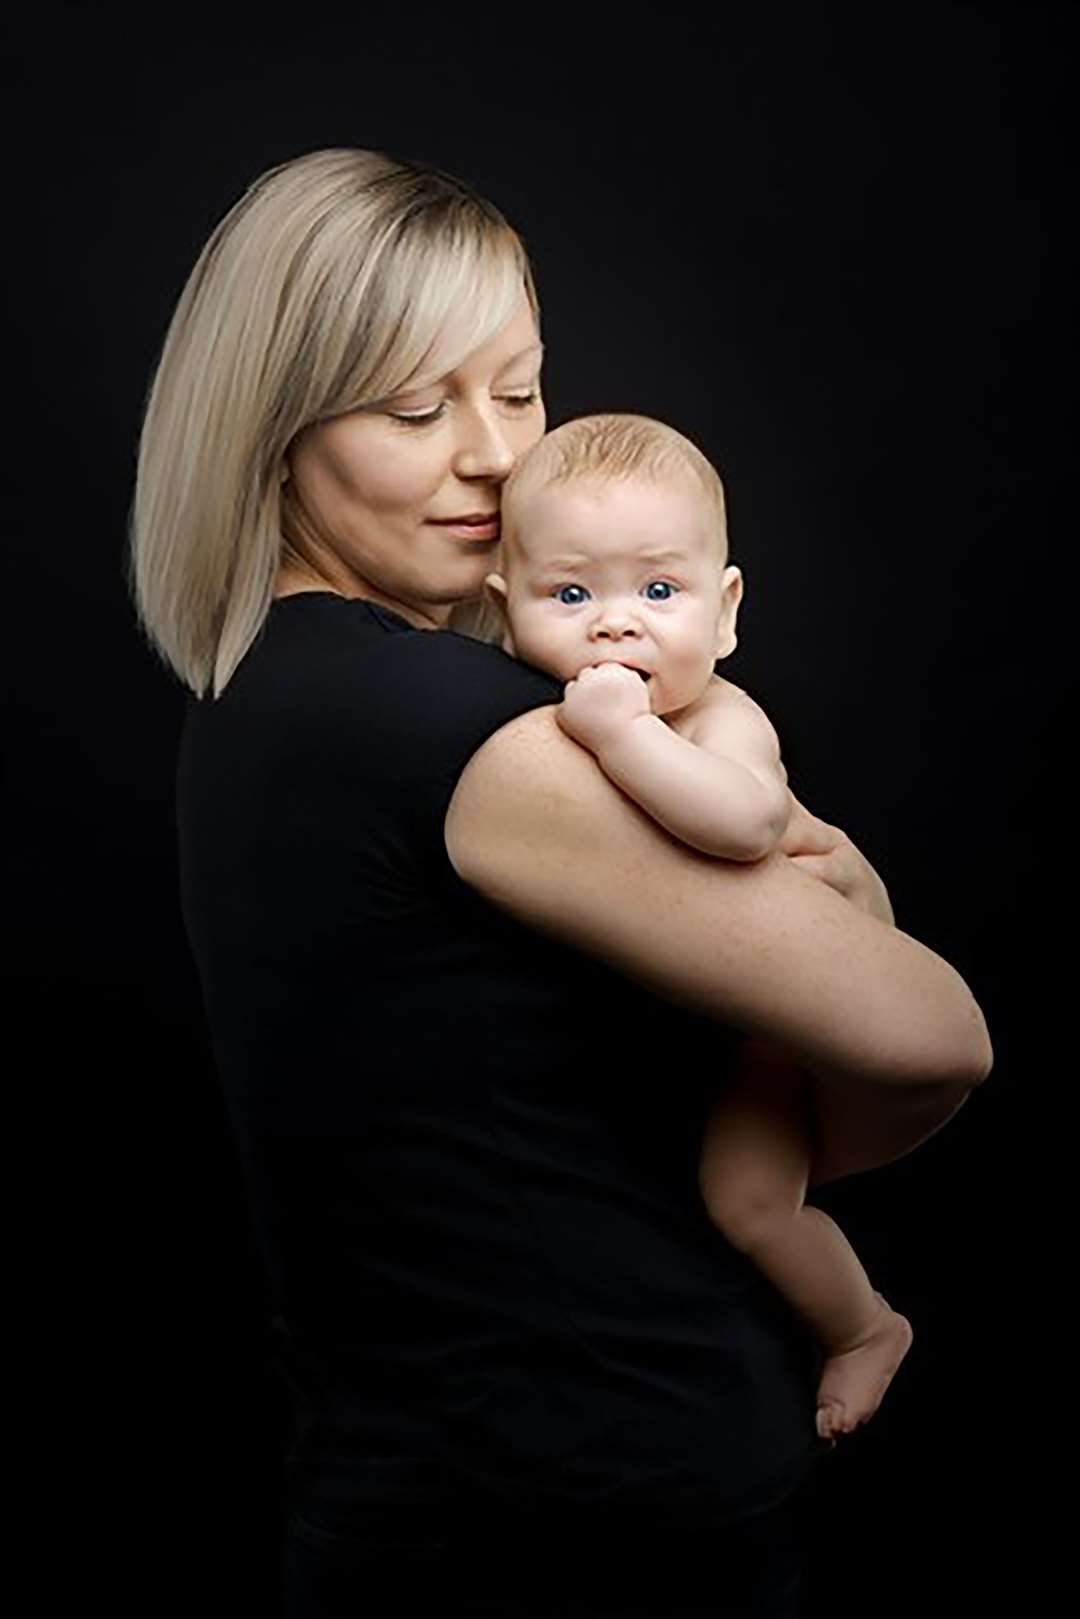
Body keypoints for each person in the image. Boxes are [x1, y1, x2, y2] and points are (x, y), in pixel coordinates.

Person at [128, 147, 992, 1618]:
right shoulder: (460, 734)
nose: (495, 457)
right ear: (274, 429)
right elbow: (939, 1031)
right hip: (593, 1525)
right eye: (416, 408)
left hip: (431, 1490)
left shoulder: (267, 692)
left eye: (518, 390)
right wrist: (839, 897)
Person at [482, 411, 915, 1447]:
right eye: (571, 593)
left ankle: (865, 1326)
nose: (616, 625)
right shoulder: (529, 714)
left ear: (724, 614)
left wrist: (623, 733)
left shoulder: (719, 719)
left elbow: (745, 823)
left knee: (749, 1201)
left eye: (659, 591)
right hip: (674, 1025)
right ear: (502, 611)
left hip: (782, 1019)